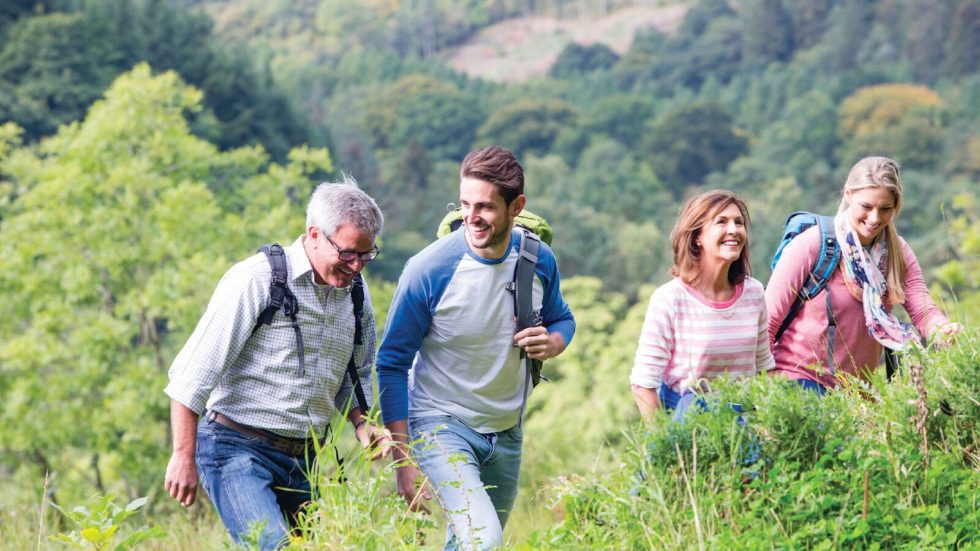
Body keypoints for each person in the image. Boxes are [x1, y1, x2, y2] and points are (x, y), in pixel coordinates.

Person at [163, 179, 390, 550]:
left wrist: (363, 425)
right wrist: (182, 456)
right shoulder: (257, 279)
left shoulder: (357, 296)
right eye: (348, 253)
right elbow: (193, 373)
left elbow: (355, 373)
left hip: (304, 459)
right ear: (314, 234)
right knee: (273, 546)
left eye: (366, 256)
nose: (355, 266)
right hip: (235, 449)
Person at [376, 145, 575, 550]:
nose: (471, 217)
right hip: (438, 423)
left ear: (516, 206)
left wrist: (552, 343)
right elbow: (391, 363)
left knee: (469, 541)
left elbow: (563, 320)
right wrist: (403, 461)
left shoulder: (539, 260)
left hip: (506, 429)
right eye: (465, 204)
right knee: (483, 539)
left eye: (484, 206)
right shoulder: (428, 270)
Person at [765, 156, 963, 393]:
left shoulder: (897, 254)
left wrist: (943, 330)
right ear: (848, 195)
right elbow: (768, 319)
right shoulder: (813, 244)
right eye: (866, 207)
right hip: (798, 380)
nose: (875, 218)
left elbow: (923, 311)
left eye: (885, 209)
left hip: (857, 392)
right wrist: (764, 388)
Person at [631, 190, 774, 422]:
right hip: (688, 425)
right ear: (697, 237)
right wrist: (665, 444)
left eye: (739, 222)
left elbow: (764, 368)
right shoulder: (670, 299)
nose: (734, 230)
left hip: (744, 425)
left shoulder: (754, 292)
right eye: (721, 222)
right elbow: (643, 384)